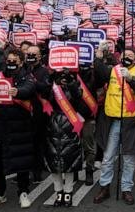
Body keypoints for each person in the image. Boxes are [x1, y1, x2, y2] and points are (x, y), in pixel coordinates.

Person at [93, 47, 135, 205]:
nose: (127, 57)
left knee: (128, 159)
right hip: (112, 119)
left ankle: (126, 188)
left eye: (131, 56)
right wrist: (99, 55)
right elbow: (99, 72)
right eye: (125, 55)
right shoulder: (113, 70)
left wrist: (130, 79)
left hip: (131, 121)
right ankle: (104, 187)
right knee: (107, 158)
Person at [0, 49, 36, 208]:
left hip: (20, 126)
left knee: (21, 161)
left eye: (14, 60)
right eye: (9, 60)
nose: (10, 63)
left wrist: (18, 91)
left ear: (21, 61)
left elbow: (28, 89)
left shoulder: (26, 76)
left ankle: (23, 192)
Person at [45, 69, 83, 207]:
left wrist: (71, 82)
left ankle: (68, 192)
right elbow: (44, 95)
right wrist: (51, 79)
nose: (63, 78)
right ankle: (58, 191)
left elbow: (78, 97)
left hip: (70, 124)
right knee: (54, 162)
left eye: (66, 75)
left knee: (69, 160)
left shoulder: (76, 85)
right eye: (61, 75)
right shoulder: (53, 87)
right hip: (53, 125)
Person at [25, 45, 51, 184]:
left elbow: (47, 88)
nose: (31, 56)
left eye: (34, 54)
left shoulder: (44, 71)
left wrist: (34, 82)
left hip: (39, 111)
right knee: (25, 142)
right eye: (29, 53)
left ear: (40, 56)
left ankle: (37, 172)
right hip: (24, 110)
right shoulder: (24, 69)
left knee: (38, 142)